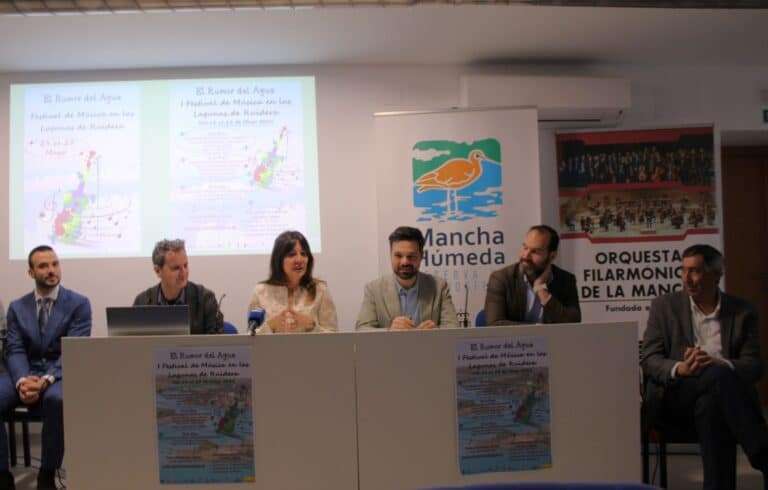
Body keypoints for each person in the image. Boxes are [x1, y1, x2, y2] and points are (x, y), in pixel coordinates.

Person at [641, 244, 768, 490]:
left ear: (717, 275)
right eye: (684, 270)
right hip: (676, 396)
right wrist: (681, 368)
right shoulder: (664, 306)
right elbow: (649, 359)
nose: (687, 278)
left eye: (695, 271)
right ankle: (762, 453)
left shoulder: (742, 311)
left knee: (711, 405)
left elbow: (754, 366)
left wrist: (721, 363)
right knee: (719, 378)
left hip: (719, 401)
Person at [0, 245, 92, 490]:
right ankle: (2, 475)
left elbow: (73, 350)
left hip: (59, 374)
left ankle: (47, 474)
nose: (51, 270)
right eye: (43, 266)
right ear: (31, 273)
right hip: (25, 372)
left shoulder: (79, 304)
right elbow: (14, 349)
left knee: (56, 400)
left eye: (55, 264)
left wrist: (46, 380)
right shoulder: (17, 307)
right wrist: (22, 381)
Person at [356, 226, 457, 330]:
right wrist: (389, 331)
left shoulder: (439, 287)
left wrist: (436, 332)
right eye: (398, 256)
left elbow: (453, 327)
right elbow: (362, 329)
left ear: (421, 256)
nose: (404, 262)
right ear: (390, 255)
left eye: (411, 256)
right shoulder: (373, 289)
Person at [484, 225, 580, 325]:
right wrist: (538, 330)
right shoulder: (501, 278)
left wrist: (541, 290)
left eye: (535, 251)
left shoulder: (566, 280)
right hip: (520, 337)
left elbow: (573, 323)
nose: (525, 255)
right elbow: (495, 323)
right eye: (525, 247)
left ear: (552, 256)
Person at [249, 231, 337, 333]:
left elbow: (333, 336)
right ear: (279, 259)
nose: (299, 260)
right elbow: (251, 337)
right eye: (292, 255)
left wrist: (312, 326)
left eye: (303, 254)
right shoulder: (261, 291)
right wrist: (270, 326)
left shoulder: (320, 290)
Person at [133, 239, 223, 334]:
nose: (183, 273)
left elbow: (217, 340)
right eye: (176, 268)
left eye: (185, 265)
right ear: (158, 271)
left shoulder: (206, 299)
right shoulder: (142, 302)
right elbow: (133, 341)